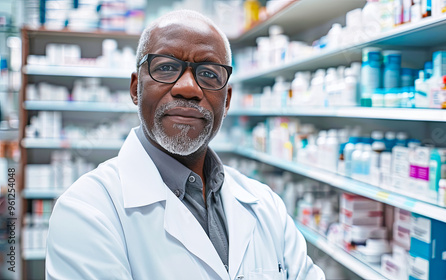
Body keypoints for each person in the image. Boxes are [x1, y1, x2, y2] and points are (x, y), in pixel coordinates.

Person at [46, 9, 325, 280]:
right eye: (166, 68)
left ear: (226, 100)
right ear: (135, 89)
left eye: (209, 74)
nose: (189, 88)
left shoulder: (266, 205)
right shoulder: (87, 211)